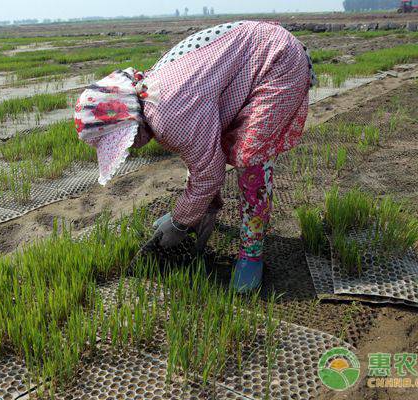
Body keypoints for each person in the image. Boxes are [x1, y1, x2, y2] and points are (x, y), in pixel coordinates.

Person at [74, 21, 315, 292]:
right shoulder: (149, 92)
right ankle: (203, 220)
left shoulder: (166, 114)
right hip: (250, 57)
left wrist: (179, 221)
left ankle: (251, 255)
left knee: (251, 163)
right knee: (206, 155)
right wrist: (201, 211)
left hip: (277, 61)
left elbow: (209, 173)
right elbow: (201, 155)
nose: (131, 149)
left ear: (127, 118)